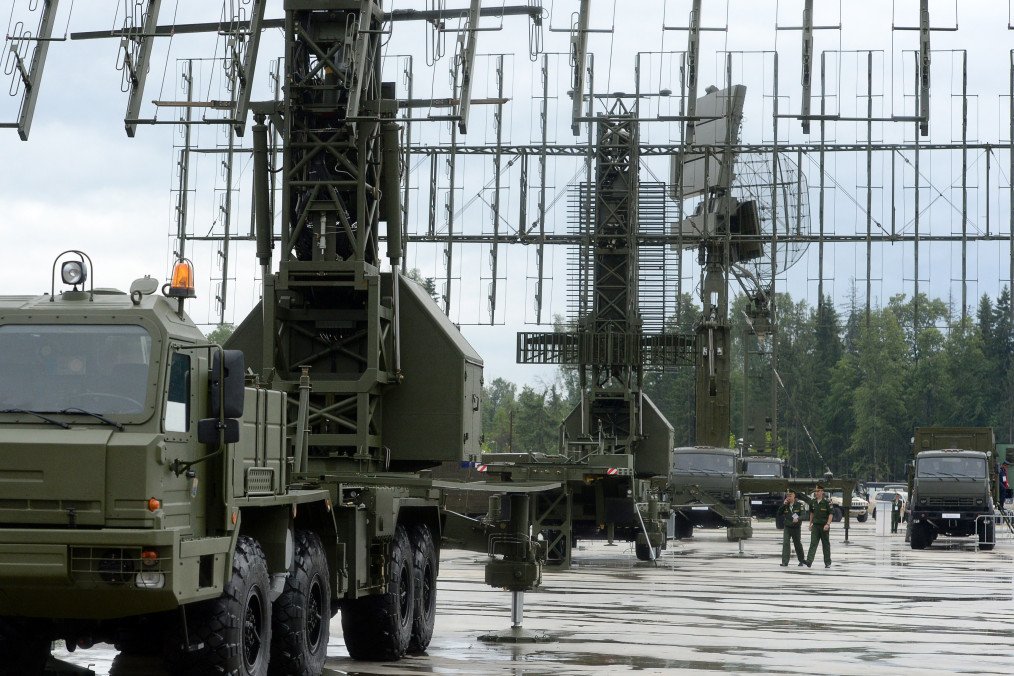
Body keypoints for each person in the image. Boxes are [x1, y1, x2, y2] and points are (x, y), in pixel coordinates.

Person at [776, 490, 807, 567]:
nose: (788, 497)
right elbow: (779, 513)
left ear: (794, 496)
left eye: (790, 495)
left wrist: (798, 518)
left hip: (796, 527)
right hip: (787, 527)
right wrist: (783, 505)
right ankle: (785, 562)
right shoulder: (786, 505)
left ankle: (801, 560)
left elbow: (804, 516)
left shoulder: (800, 505)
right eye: (787, 495)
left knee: (797, 544)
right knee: (786, 543)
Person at [805, 484, 833, 568]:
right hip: (815, 526)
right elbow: (811, 513)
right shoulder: (813, 502)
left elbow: (831, 514)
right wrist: (810, 524)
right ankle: (809, 561)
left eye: (818, 491)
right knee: (813, 543)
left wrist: (828, 524)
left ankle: (827, 562)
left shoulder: (827, 502)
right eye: (815, 491)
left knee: (825, 545)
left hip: (824, 526)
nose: (816, 493)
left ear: (822, 492)